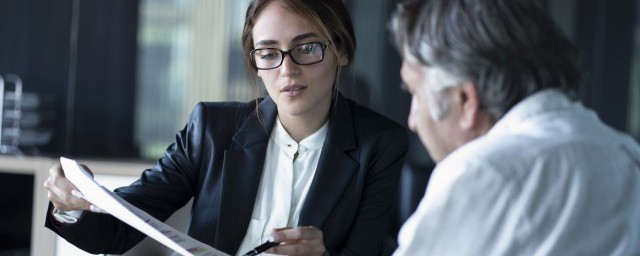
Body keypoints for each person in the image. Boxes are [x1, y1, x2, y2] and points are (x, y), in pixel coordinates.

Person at [44, 0, 408, 255]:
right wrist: (69, 204)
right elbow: (120, 229)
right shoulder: (212, 129)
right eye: (268, 52)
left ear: (341, 50)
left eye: (307, 47)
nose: (287, 70)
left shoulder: (379, 145)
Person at [389, 0, 640, 255]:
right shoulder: (629, 156)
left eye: (416, 94)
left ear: (465, 101)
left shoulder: (481, 172)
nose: (412, 120)